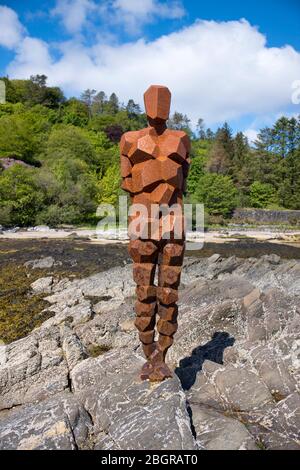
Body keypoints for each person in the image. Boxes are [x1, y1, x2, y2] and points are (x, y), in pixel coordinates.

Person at [120, 85, 190, 381]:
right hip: (142, 215)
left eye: (165, 100)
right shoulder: (129, 139)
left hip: (173, 216)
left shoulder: (182, 139)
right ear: (144, 103)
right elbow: (126, 180)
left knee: (169, 288)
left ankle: (162, 354)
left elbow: (183, 181)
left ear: (171, 105)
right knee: (143, 288)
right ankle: (148, 353)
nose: (158, 105)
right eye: (153, 99)